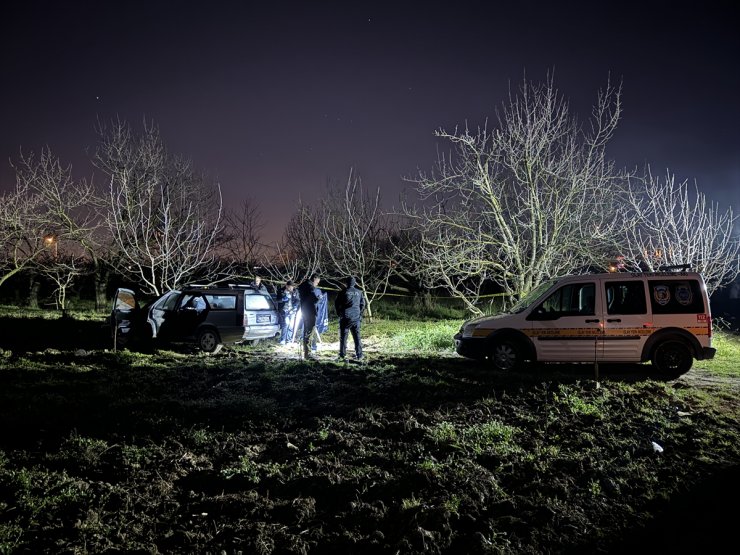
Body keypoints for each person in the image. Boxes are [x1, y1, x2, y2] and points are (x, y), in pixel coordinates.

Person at [334, 276, 365, 361]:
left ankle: (342, 355)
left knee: (343, 337)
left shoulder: (342, 292)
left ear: (346, 283)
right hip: (356, 318)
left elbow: (336, 304)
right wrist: (360, 313)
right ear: (354, 283)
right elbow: (363, 304)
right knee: (357, 337)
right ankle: (359, 355)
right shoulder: (359, 292)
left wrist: (339, 313)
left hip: (345, 317)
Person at [298, 274, 322, 359]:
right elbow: (314, 299)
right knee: (310, 331)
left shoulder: (302, 285)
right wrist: (319, 298)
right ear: (314, 279)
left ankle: (306, 352)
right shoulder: (310, 287)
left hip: (304, 310)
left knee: (306, 330)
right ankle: (308, 353)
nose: (317, 284)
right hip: (311, 311)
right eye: (317, 282)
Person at [276, 280, 299, 344]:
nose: (291, 289)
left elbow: (297, 300)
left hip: (292, 311)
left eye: (292, 287)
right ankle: (283, 340)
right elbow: (278, 300)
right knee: (286, 324)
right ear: (287, 286)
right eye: (290, 287)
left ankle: (288, 340)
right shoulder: (281, 291)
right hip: (284, 310)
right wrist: (283, 299)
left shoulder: (295, 291)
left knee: (291, 325)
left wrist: (295, 306)